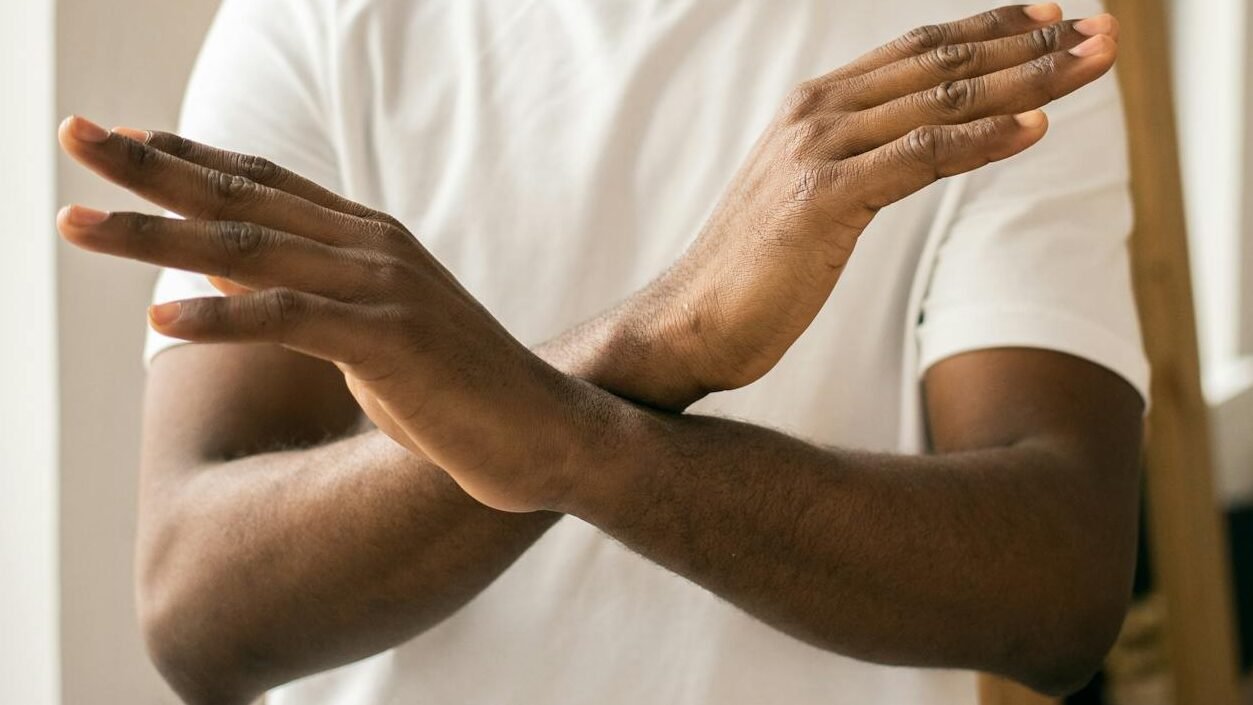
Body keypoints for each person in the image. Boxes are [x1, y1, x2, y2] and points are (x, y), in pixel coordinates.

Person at [56, 1, 1146, 703]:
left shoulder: (994, 44)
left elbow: (1057, 590)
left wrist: (577, 437)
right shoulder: (309, 20)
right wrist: (650, 346)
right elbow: (198, 610)